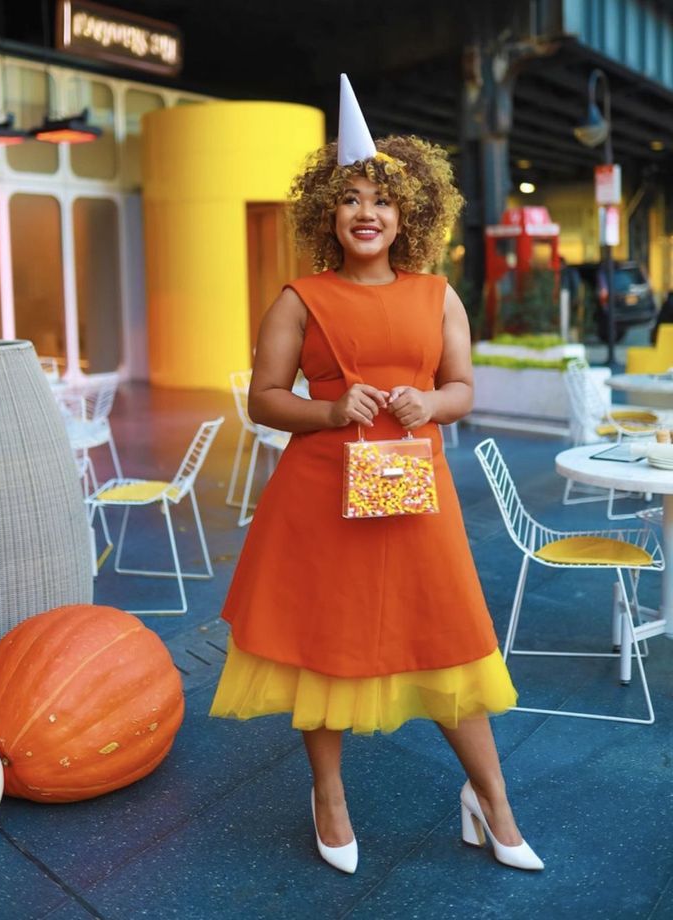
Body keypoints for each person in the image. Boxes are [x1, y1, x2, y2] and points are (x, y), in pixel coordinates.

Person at [209, 74, 543, 874]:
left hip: (414, 494)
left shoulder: (438, 296)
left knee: (450, 638)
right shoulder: (299, 297)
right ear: (328, 211)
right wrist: (329, 412)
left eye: (383, 201)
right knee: (323, 647)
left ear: (408, 216)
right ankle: (328, 796)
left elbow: (462, 389)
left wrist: (430, 403)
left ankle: (491, 801)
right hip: (321, 497)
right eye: (352, 197)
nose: (367, 212)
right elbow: (262, 401)